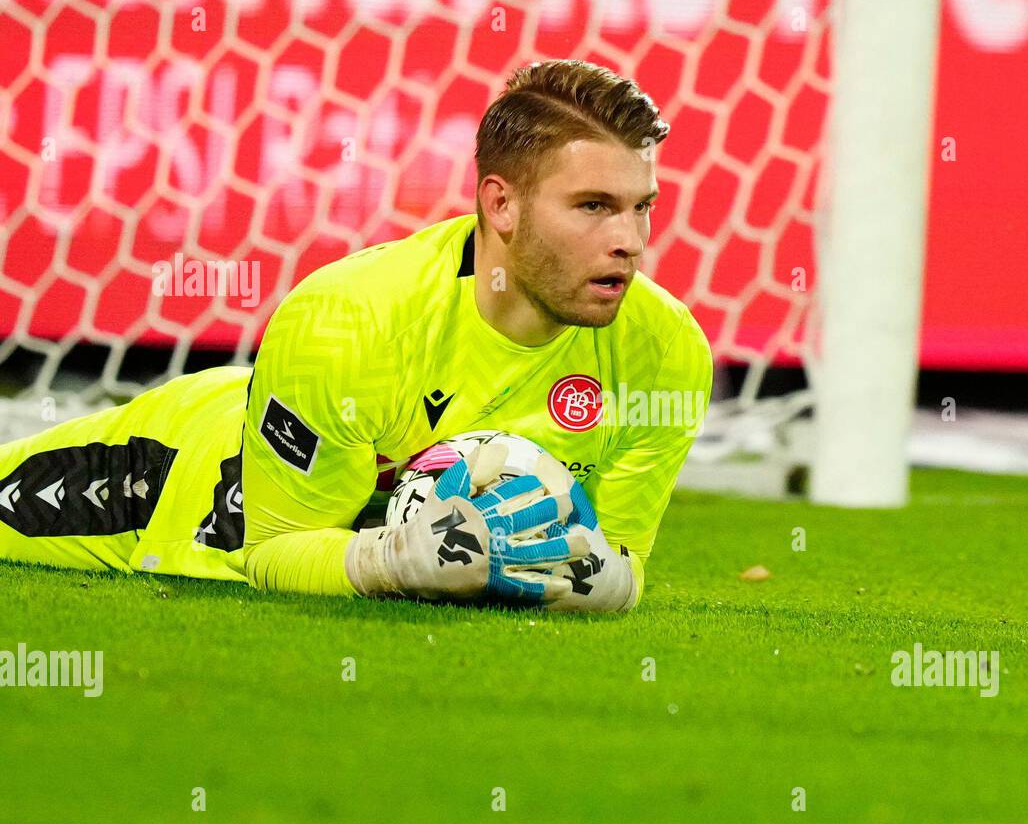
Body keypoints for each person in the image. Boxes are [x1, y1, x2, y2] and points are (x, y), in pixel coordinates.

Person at [0, 59, 712, 611]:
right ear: (501, 203)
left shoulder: (664, 352)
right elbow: (271, 552)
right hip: (172, 482)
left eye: (640, 207)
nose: (629, 241)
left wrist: (605, 580)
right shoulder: (348, 321)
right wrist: (395, 562)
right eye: (594, 206)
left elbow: (614, 556)